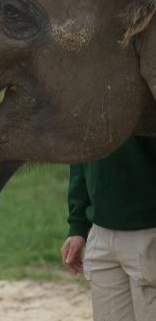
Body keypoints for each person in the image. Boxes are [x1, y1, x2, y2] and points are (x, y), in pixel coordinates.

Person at [61, 136, 156, 321]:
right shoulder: (86, 107)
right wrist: (78, 226)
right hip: (100, 233)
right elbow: (80, 155)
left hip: (148, 231)